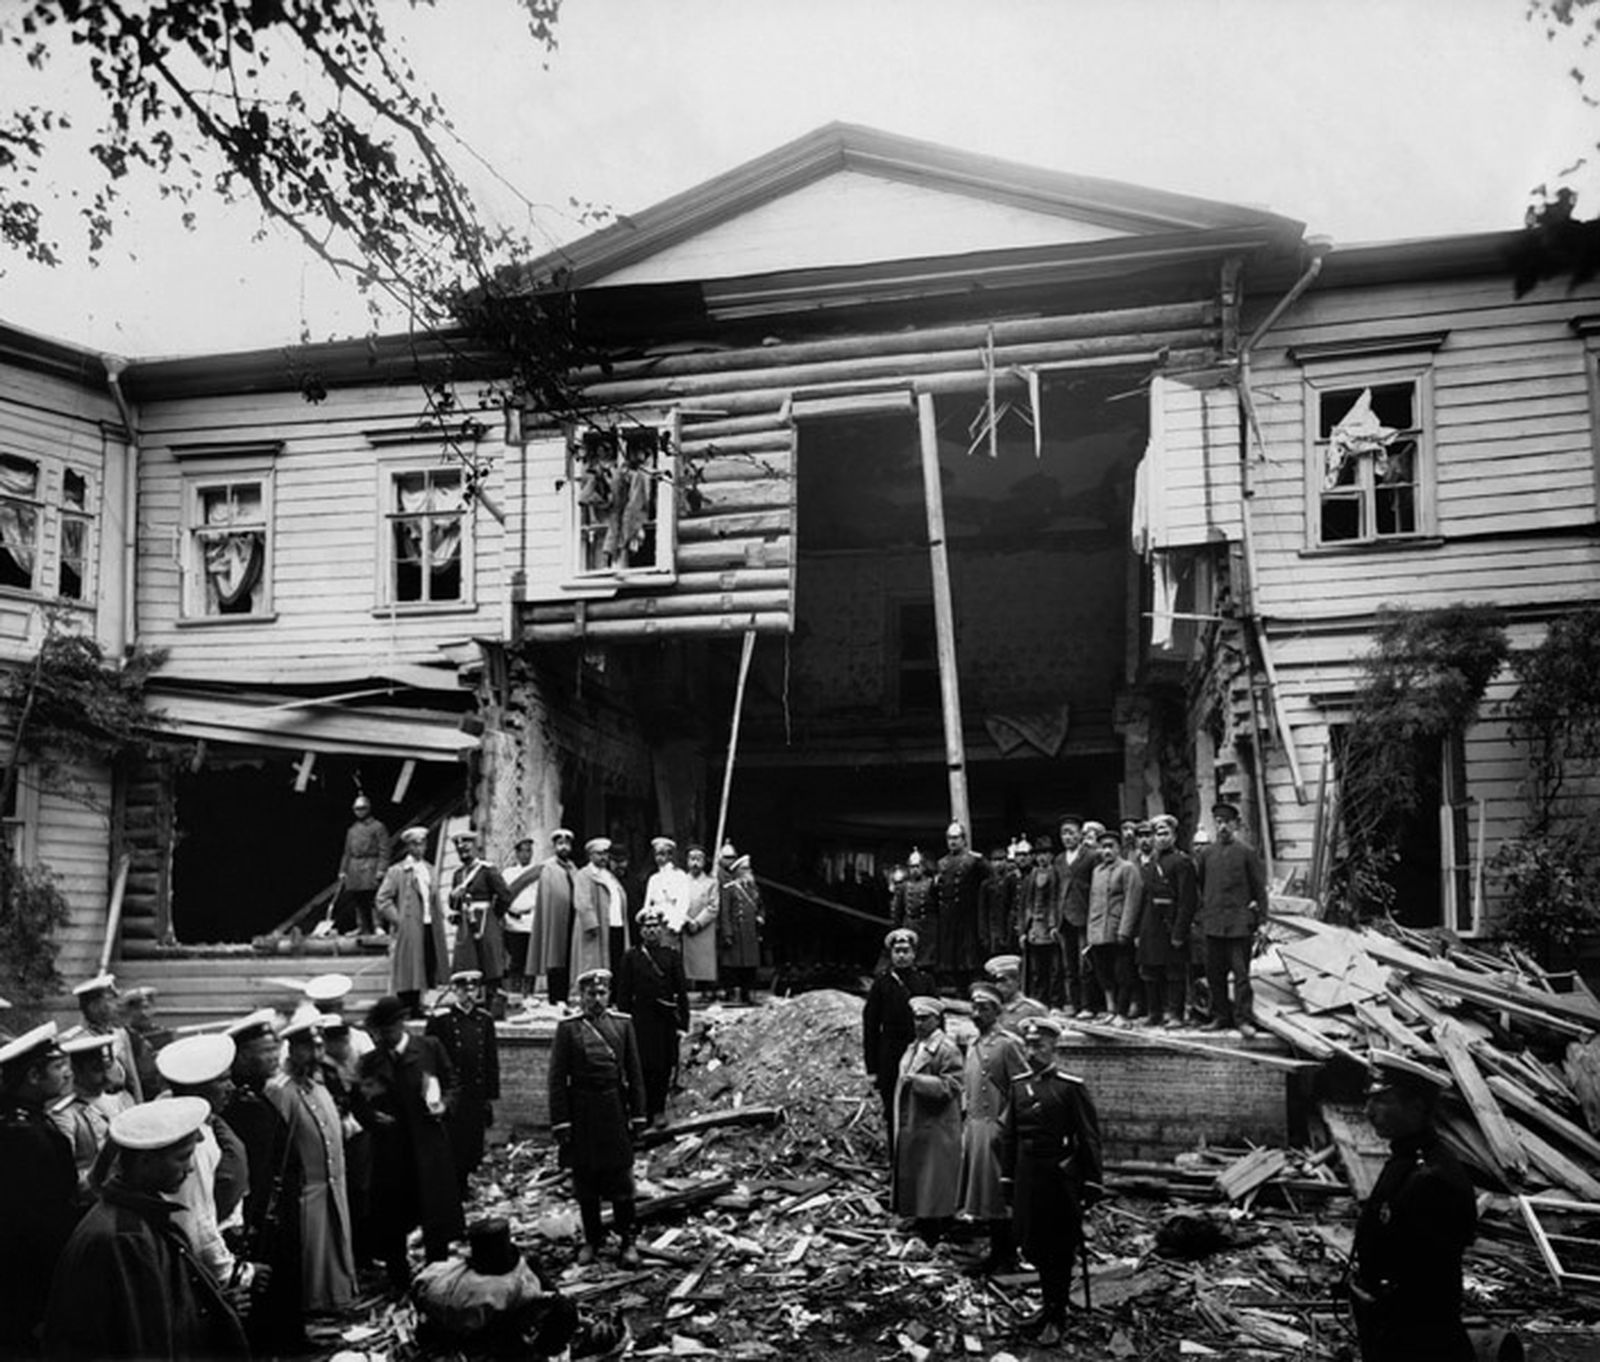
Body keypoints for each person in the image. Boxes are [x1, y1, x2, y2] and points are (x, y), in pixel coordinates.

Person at [41, 1096, 249, 1360]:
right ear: (145, 1162)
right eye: (182, 1158)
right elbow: (146, 1338)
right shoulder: (127, 1238)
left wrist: (213, 1305)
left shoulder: (135, 1220)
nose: (190, 1169)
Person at [1350, 1052, 1476, 1362]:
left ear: (1416, 1108)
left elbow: (1427, 1273)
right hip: (1392, 1323)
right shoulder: (1407, 1159)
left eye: (1382, 1102)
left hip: (1417, 1334)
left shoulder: (1434, 1176)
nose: (1369, 1111)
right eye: (1369, 1100)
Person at [1000, 1014, 1103, 1347]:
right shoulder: (1018, 1086)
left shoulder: (1070, 1088)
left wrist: (1091, 1183)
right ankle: (1046, 1309)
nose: (1033, 1050)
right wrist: (1006, 1178)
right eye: (1028, 1044)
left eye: (1039, 1044)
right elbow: (1010, 1137)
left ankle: (1057, 1317)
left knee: (1059, 1250)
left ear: (1054, 1046)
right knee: (1035, 1247)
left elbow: (1088, 1138)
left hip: (1059, 1180)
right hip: (1028, 1178)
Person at [357, 994, 464, 1290]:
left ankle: (437, 1279)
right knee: (393, 1220)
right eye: (378, 1033)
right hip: (391, 1154)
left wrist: (445, 1104)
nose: (383, 1038)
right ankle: (399, 1281)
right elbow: (360, 1103)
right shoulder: (370, 1061)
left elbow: (452, 1081)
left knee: (435, 1218)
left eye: (388, 1031)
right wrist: (373, 1119)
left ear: (401, 1024)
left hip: (428, 1148)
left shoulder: (429, 1048)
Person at [548, 968, 647, 1268]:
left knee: (621, 1180)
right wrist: (561, 1122)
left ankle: (628, 1241)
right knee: (586, 1180)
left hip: (614, 1109)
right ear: (581, 997)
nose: (597, 999)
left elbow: (635, 1073)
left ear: (609, 994)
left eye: (602, 993)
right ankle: (592, 1239)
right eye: (591, 994)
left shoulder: (623, 1025)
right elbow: (556, 1079)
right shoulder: (568, 1029)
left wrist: (639, 1116)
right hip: (582, 1112)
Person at [221, 1008, 304, 1352]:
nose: (274, 1058)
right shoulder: (243, 1105)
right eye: (265, 1052)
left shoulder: (259, 1095)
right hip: (258, 1214)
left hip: (276, 1207)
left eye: (275, 1049)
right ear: (241, 1057)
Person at [268, 1012, 357, 1314]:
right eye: (309, 1047)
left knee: (335, 1241)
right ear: (293, 1049)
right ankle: (312, 1303)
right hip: (306, 1189)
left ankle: (336, 1297)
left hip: (333, 1183)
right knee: (311, 1249)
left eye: (319, 1046)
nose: (317, 1053)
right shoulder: (282, 1090)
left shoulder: (317, 1086)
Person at [0, 1022, 79, 1355]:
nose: (66, 1074)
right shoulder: (27, 1137)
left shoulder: (26, 1123)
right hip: (29, 1278)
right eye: (58, 1066)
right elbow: (41, 1223)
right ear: (33, 1076)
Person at [156, 1033, 256, 1292]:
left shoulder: (200, 1125)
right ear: (195, 1089)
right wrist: (235, 1274)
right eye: (223, 1080)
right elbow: (196, 1222)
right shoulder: (192, 1141)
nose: (232, 1087)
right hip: (195, 1267)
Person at [959, 982, 1029, 1275]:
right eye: (974, 1007)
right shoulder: (974, 1044)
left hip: (995, 1129)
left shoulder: (1008, 1044)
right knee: (983, 1196)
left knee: (999, 1196)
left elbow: (1022, 1089)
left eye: (984, 1008)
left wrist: (1006, 1126)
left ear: (997, 1012)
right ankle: (995, 1251)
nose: (977, 1013)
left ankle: (1005, 1254)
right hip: (975, 1127)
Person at [1181, 802, 1268, 1037]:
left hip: (1240, 925)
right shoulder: (1207, 854)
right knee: (1214, 975)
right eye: (1218, 822)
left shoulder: (1247, 853)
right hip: (1213, 925)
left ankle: (1242, 1020)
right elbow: (1199, 887)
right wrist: (1201, 916)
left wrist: (1261, 920)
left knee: (1241, 977)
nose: (1222, 827)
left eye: (1227, 822)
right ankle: (1221, 1017)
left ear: (1236, 824)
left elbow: (1260, 889)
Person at [892, 996, 963, 1244]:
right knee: (920, 1175)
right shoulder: (915, 1046)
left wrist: (919, 1082)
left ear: (937, 1019)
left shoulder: (946, 1048)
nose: (919, 1023)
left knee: (934, 1179)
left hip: (935, 1124)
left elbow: (953, 1085)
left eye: (925, 1018)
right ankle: (921, 1219)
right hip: (917, 1121)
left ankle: (935, 1226)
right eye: (916, 1018)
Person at [425, 969, 501, 1196]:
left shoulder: (484, 1020)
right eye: (463, 989)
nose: (468, 994)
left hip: (475, 1091)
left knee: (472, 1141)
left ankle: (465, 1180)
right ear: (455, 991)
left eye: (473, 989)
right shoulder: (442, 1020)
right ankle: (452, 1184)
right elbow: (432, 1059)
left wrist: (490, 1096)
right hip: (453, 1090)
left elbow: (490, 1059)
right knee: (452, 1139)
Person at [615, 907, 691, 1128]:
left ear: (662, 929)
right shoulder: (631, 957)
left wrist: (682, 1024)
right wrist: (623, 1023)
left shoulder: (672, 956)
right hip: (640, 1021)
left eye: (656, 926)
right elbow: (623, 994)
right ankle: (642, 1112)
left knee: (664, 1066)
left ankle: (658, 1110)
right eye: (647, 927)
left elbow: (681, 993)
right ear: (641, 931)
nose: (652, 931)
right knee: (641, 1068)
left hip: (665, 1020)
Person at [862, 928, 936, 1151]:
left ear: (914, 954)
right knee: (894, 1110)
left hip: (920, 1053)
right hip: (890, 1055)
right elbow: (871, 1027)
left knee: (921, 1110)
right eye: (897, 951)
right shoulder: (882, 984)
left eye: (906, 951)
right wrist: (872, 1068)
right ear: (891, 954)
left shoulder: (925, 981)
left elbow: (938, 1020)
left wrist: (935, 1055)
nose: (901, 955)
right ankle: (897, 1163)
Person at [377, 826, 451, 1018]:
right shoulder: (398, 871)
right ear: (409, 846)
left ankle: (419, 1003)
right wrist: (398, 920)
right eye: (415, 844)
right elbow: (382, 899)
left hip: (429, 922)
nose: (420, 848)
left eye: (423, 844)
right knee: (409, 965)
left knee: (425, 963)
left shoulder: (429, 869)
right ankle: (406, 1006)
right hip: (410, 924)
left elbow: (432, 898)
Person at [51, 1028, 133, 1203]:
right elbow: (66, 1173)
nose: (105, 1076)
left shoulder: (120, 1101)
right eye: (96, 1070)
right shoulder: (66, 1115)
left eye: (106, 1067)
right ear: (77, 1072)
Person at [1141, 814, 1199, 1030]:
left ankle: (1175, 1013)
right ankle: (1154, 1013)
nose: (1161, 838)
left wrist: (1179, 932)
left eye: (1165, 833)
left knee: (1174, 972)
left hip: (1171, 923)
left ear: (1174, 835)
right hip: (1151, 923)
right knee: (1150, 970)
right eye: (1158, 834)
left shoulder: (1182, 862)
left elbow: (1188, 900)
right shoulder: (1151, 863)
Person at [448, 829, 512, 1019]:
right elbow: (453, 904)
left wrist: (493, 915)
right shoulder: (458, 874)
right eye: (460, 850)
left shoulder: (487, 870)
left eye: (467, 848)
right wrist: (455, 898)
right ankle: (470, 1006)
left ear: (475, 847)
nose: (463, 852)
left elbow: (505, 895)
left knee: (490, 964)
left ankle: (493, 1008)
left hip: (486, 921)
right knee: (467, 963)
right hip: (466, 924)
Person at [1086, 828, 1142, 1024]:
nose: (1107, 851)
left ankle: (1121, 1012)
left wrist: (1125, 930)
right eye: (1103, 847)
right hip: (1099, 932)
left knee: (1123, 973)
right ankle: (1110, 1010)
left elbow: (1132, 901)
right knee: (1104, 973)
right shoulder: (1097, 871)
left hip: (1118, 930)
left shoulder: (1128, 868)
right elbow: (1094, 903)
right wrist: (1091, 933)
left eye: (1111, 846)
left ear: (1118, 848)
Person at [933, 821, 988, 993]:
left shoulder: (974, 860)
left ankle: (971, 987)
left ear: (964, 840)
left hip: (968, 915)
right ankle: (955, 987)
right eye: (950, 838)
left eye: (956, 838)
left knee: (969, 956)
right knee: (951, 956)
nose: (953, 842)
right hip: (948, 916)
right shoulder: (942, 863)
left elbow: (990, 883)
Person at [529, 828, 581, 1006]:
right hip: (555, 919)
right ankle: (555, 998)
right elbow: (546, 896)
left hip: (572, 918)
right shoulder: (549, 868)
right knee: (555, 958)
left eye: (566, 844)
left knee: (568, 957)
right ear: (555, 847)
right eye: (560, 844)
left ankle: (565, 997)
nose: (564, 847)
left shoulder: (573, 868)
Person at [72, 972, 143, 1102]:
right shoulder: (80, 1039)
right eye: (110, 999)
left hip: (124, 1099)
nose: (116, 1004)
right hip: (98, 1102)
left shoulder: (120, 1033)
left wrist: (140, 1104)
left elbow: (133, 1077)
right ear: (94, 1006)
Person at [1056, 816, 1097, 1017]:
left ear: (1080, 834)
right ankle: (1072, 1003)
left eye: (1071, 832)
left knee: (1085, 965)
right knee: (1068, 965)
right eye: (1064, 833)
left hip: (1083, 916)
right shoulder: (1059, 860)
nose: (1068, 837)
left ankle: (1088, 1006)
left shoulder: (1091, 856)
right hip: (1064, 919)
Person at [1016, 834, 1063, 1007]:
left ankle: (1055, 1002)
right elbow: (1025, 905)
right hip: (1034, 927)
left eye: (1046, 854)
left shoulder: (1056, 874)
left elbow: (1056, 900)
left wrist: (1054, 924)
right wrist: (1023, 930)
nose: (1042, 858)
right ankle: (1038, 1001)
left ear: (1051, 856)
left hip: (1050, 926)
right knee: (1036, 969)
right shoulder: (1031, 877)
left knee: (1055, 968)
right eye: (1039, 854)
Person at [574, 836, 630, 976]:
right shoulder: (585, 874)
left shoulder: (609, 875)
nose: (603, 857)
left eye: (605, 854)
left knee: (616, 959)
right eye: (599, 854)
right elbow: (582, 901)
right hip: (597, 926)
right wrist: (591, 923)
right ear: (590, 855)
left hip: (615, 924)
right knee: (594, 961)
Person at [337, 794, 390, 935]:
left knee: (374, 897)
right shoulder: (352, 830)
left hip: (371, 864)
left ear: (368, 809)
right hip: (354, 867)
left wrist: (382, 869)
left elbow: (384, 850)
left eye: (362, 809)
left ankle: (378, 925)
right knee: (358, 899)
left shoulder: (378, 827)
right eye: (356, 809)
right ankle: (362, 927)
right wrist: (343, 870)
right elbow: (347, 852)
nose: (359, 812)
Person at [719, 853, 765, 1003]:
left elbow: (760, 906)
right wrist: (727, 932)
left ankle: (747, 992)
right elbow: (725, 912)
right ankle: (732, 993)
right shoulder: (729, 889)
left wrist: (761, 917)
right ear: (737, 871)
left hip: (750, 932)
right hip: (736, 931)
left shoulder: (753, 888)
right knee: (733, 965)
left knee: (750, 965)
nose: (748, 871)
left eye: (748, 868)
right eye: (745, 868)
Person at [500, 835, 541, 998]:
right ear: (516, 854)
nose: (526, 854)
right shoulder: (508, 873)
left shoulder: (538, 872)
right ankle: (515, 995)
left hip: (531, 920)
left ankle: (529, 995)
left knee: (531, 962)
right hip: (512, 921)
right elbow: (503, 897)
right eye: (522, 851)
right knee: (516, 961)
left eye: (529, 851)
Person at [679, 844, 720, 998]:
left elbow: (713, 906)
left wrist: (698, 922)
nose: (695, 863)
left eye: (699, 859)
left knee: (704, 961)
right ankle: (688, 991)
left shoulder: (711, 882)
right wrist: (685, 919)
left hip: (704, 927)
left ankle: (706, 991)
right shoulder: (681, 880)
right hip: (684, 926)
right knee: (685, 961)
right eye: (692, 859)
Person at [890, 850, 937, 972]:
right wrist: (897, 928)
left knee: (927, 961)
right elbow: (899, 910)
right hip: (910, 926)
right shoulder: (904, 886)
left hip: (928, 928)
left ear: (923, 867)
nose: (914, 869)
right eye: (912, 867)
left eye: (917, 866)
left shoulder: (931, 884)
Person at [119, 984, 168, 1099]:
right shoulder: (125, 1036)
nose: (143, 1013)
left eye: (146, 1007)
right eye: (137, 1009)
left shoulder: (163, 1034)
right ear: (129, 1011)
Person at [643, 836, 692, 950]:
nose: (659, 858)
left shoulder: (680, 876)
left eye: (662, 854)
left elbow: (683, 902)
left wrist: (676, 923)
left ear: (670, 856)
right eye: (657, 855)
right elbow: (647, 903)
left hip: (671, 922)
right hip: (655, 924)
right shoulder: (653, 879)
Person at [984, 954, 1047, 1035]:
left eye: (1003, 981)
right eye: (995, 982)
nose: (998, 986)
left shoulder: (1032, 1009)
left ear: (1017, 981)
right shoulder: (990, 1009)